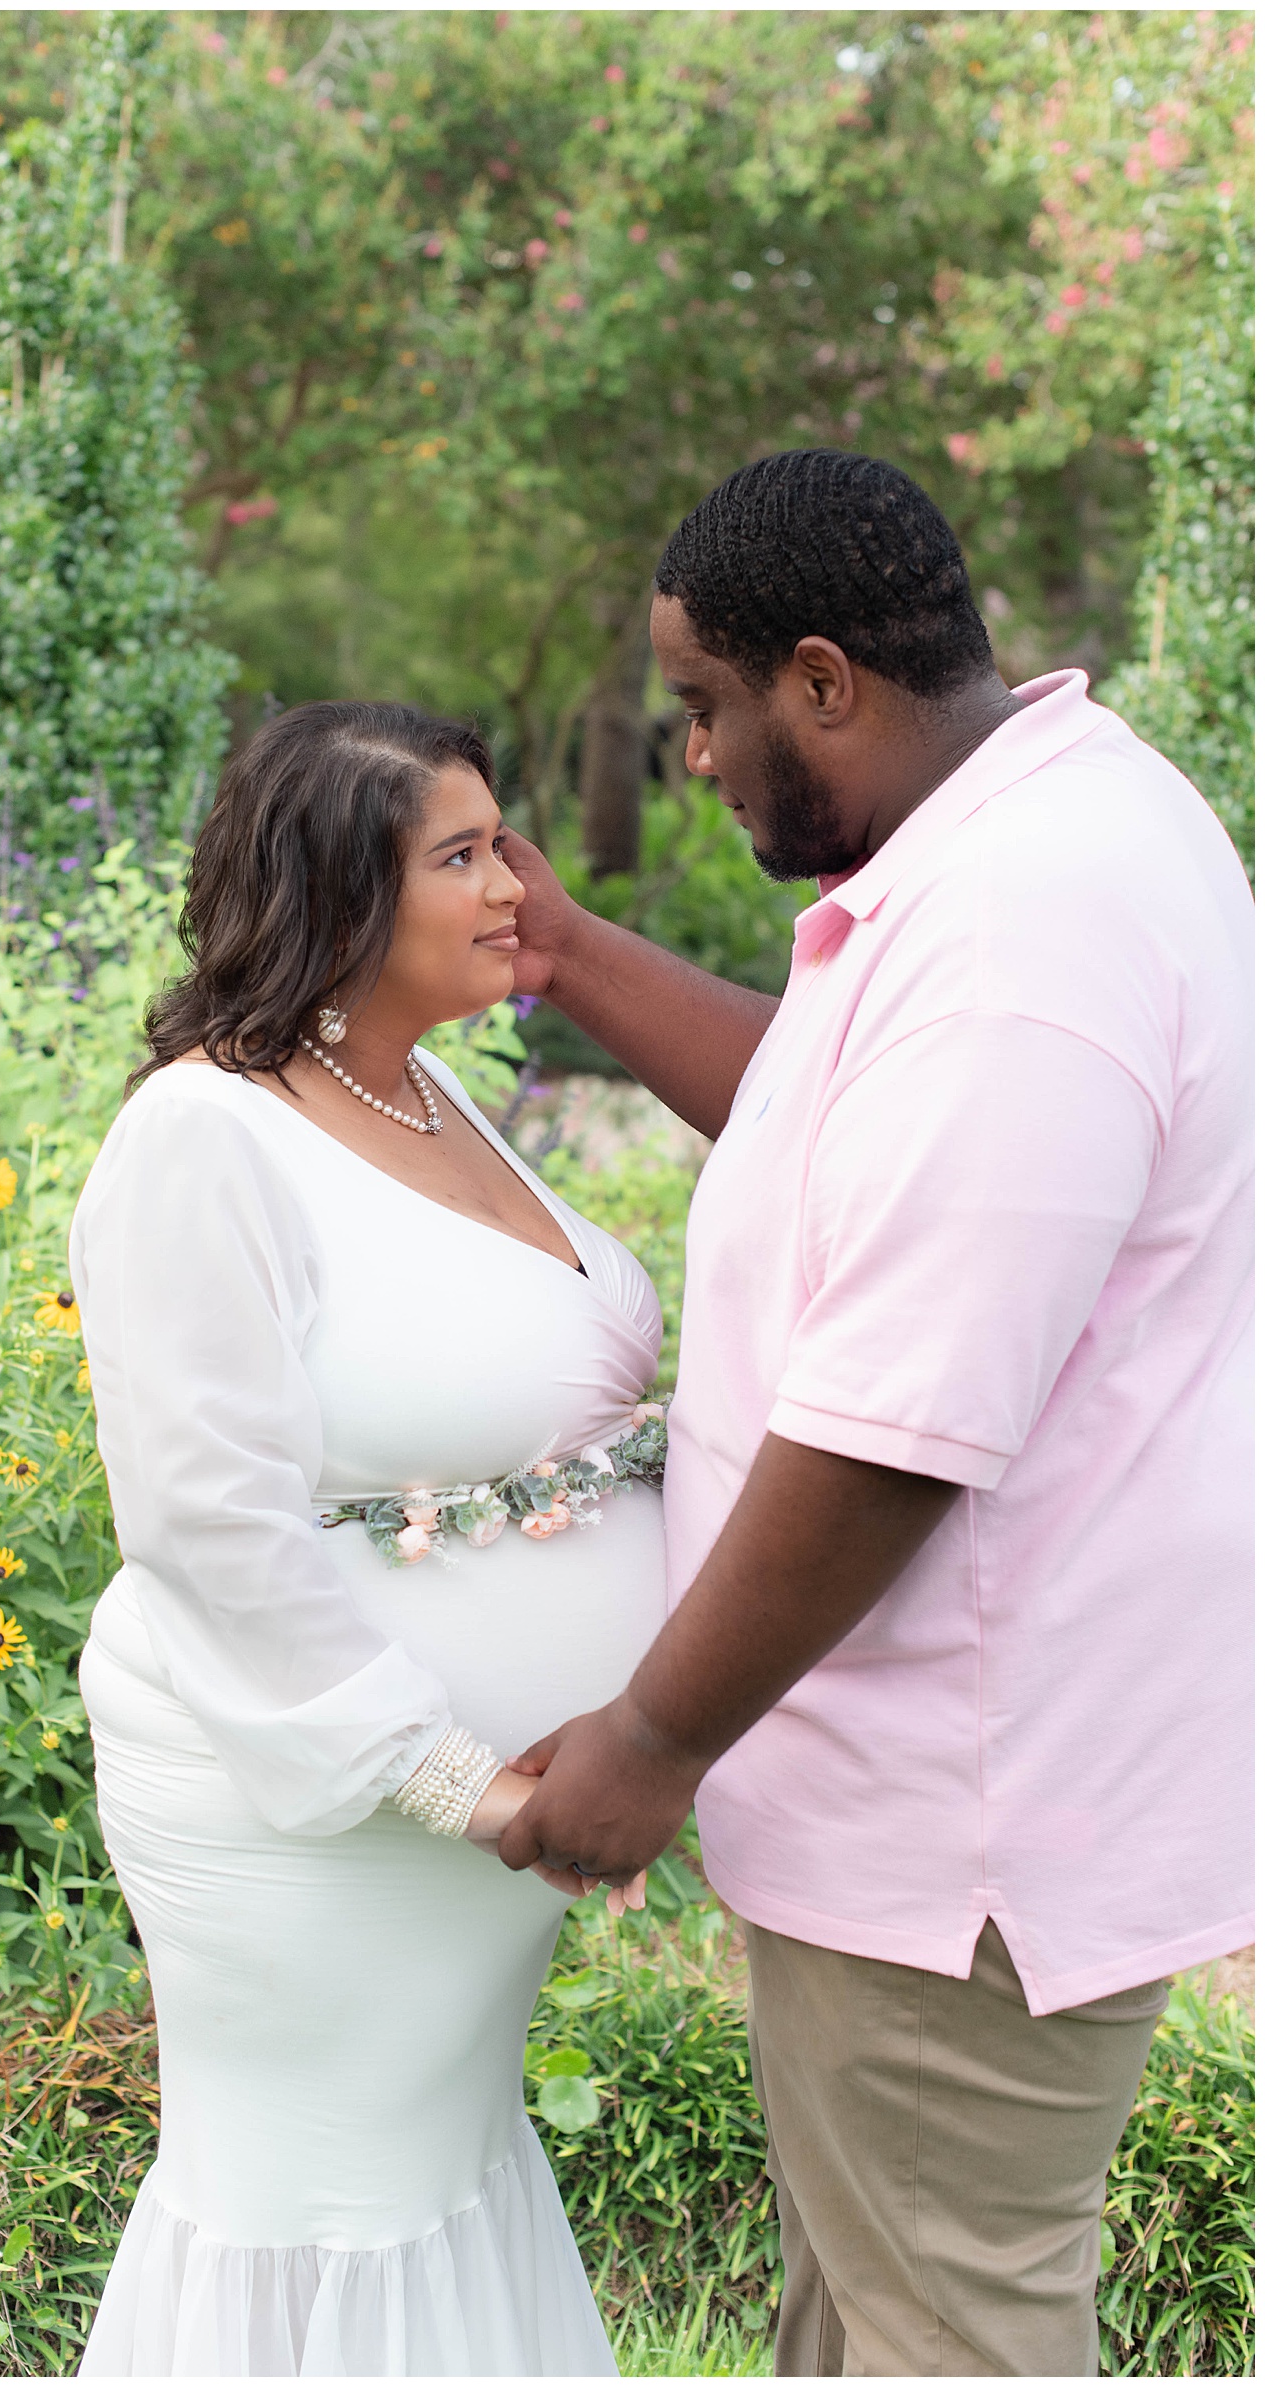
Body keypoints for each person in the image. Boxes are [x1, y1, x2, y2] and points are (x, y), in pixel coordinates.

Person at [495, 449, 1253, 2377]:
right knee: (867, 2334)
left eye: (703, 708)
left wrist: (653, 1739)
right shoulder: (999, 849)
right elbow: (823, 1116)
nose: (693, 759)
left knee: (947, 2348)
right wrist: (572, 953)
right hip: (924, 1826)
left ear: (821, 680)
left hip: (957, 1842)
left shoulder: (1020, 936)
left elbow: (899, 1427)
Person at [70, 701, 661, 2378]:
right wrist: (460, 1785)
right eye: (462, 857)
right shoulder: (203, 1134)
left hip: (495, 1835)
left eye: (502, 841)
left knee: (445, 2173)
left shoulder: (431, 1100)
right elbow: (205, 1520)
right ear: (335, 893)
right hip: (330, 1823)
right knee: (323, 2208)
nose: (513, 887)